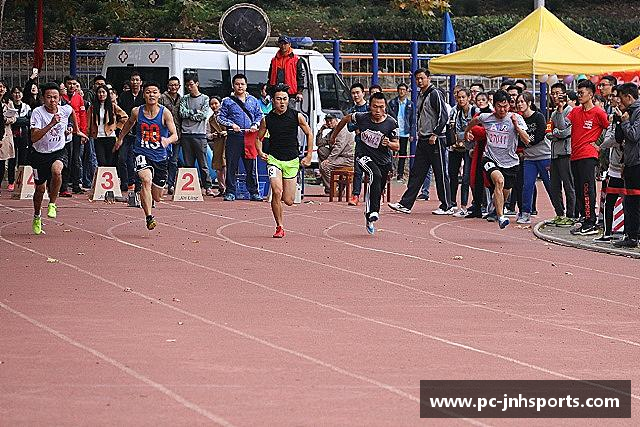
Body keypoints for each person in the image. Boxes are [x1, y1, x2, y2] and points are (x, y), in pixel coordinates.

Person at [388, 68, 452, 216]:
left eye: (422, 78)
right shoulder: (420, 95)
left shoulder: (435, 94)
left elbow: (444, 115)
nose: (419, 81)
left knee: (440, 172)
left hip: (435, 139)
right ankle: (406, 203)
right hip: (423, 138)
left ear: (428, 78)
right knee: (417, 172)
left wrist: (435, 133)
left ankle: (447, 205)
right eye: (417, 79)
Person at [114, 81, 178, 230]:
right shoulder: (137, 111)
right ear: (144, 94)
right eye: (148, 92)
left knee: (157, 196)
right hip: (141, 152)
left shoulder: (165, 113)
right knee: (145, 180)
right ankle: (149, 217)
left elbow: (175, 135)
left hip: (160, 156)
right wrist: (121, 138)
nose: (151, 95)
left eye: (154, 92)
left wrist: (167, 140)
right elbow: (128, 124)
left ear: (159, 95)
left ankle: (150, 201)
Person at [334, 92, 399, 233]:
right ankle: (373, 212)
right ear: (369, 106)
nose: (378, 111)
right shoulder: (361, 117)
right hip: (363, 156)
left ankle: (369, 215)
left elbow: (397, 146)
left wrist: (389, 143)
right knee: (374, 174)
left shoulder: (391, 123)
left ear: (385, 107)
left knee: (378, 185)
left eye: (381, 107)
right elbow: (345, 119)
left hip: (383, 160)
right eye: (375, 107)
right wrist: (334, 135)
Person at [464, 90, 529, 229]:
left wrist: (516, 127)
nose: (503, 110)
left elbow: (527, 140)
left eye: (505, 106)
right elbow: (474, 121)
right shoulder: (486, 117)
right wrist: (467, 132)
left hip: (510, 162)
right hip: (490, 158)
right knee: (499, 181)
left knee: (505, 191)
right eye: (499, 106)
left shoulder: (516, 118)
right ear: (494, 105)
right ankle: (501, 217)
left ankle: (496, 206)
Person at [29, 82, 88, 234]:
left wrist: (77, 130)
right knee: (40, 189)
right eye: (49, 97)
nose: (52, 100)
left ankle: (53, 203)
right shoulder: (37, 112)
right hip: (39, 154)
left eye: (55, 97)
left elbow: (73, 112)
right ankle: (37, 215)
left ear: (60, 97)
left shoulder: (65, 109)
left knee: (57, 171)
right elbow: (34, 138)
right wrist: (51, 124)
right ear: (43, 98)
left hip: (58, 151)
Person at [257, 84, 313, 237]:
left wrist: (308, 155)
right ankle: (279, 226)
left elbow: (309, 133)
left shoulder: (296, 116)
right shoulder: (267, 119)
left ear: (288, 100)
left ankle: (282, 197)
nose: (282, 102)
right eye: (278, 99)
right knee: (276, 191)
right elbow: (258, 138)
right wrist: (260, 151)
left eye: (284, 99)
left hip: (292, 160)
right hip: (274, 159)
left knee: (288, 200)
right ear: (273, 100)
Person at [563, 80, 609, 235]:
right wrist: (559, 107)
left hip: (588, 155)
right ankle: (584, 217)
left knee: (587, 188)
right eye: (578, 92)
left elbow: (609, 129)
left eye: (582, 93)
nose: (579, 95)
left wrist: (599, 145)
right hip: (575, 155)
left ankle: (590, 221)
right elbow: (562, 124)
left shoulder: (598, 113)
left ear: (591, 94)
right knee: (578, 189)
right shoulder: (575, 111)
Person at [218, 73, 264, 201]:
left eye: (242, 84)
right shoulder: (227, 101)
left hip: (250, 136)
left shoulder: (253, 100)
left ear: (246, 85)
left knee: (251, 166)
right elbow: (220, 117)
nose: (240, 86)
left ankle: (254, 192)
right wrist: (231, 125)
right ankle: (230, 192)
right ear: (233, 86)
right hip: (234, 137)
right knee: (232, 164)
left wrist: (255, 124)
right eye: (237, 84)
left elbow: (259, 115)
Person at [516, 91, 552, 224]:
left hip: (544, 156)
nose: (519, 104)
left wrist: (527, 141)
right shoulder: (519, 119)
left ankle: (560, 212)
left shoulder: (538, 117)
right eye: (518, 102)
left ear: (529, 103)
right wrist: (525, 143)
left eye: (522, 102)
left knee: (550, 185)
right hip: (529, 158)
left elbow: (539, 135)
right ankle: (525, 212)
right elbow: (518, 139)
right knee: (527, 185)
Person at [595, 86, 625, 242]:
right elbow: (609, 137)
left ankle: (630, 234)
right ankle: (607, 232)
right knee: (609, 201)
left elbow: (620, 139)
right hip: (614, 167)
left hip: (629, 167)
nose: (613, 99)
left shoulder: (632, 116)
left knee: (630, 202)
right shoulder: (614, 116)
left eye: (616, 96)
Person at [615, 83, 640, 247]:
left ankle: (634, 236)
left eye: (621, 97)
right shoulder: (628, 112)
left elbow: (634, 135)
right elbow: (620, 139)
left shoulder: (637, 112)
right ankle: (630, 234)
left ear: (628, 96)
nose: (619, 101)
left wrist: (624, 122)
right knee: (630, 201)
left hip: (637, 163)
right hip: (630, 162)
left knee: (635, 201)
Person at [179, 76, 213, 195]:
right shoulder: (184, 99)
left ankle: (208, 187)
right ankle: (191, 187)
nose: (189, 87)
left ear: (197, 84)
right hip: (186, 134)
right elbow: (182, 113)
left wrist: (190, 114)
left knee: (203, 163)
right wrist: (194, 113)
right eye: (187, 85)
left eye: (191, 85)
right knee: (188, 163)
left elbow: (203, 115)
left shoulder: (205, 98)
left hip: (200, 134)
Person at [548, 82, 576, 226]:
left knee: (568, 185)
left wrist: (556, 133)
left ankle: (571, 215)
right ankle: (559, 213)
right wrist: (555, 133)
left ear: (564, 94)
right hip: (554, 154)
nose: (555, 96)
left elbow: (565, 130)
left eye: (558, 93)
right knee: (554, 186)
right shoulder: (553, 113)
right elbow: (549, 132)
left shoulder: (571, 111)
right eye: (553, 93)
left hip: (566, 153)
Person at [449, 88, 477, 217]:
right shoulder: (455, 112)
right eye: (459, 97)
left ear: (469, 98)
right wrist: (464, 135)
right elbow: (454, 131)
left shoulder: (474, 111)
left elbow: (476, 131)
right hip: (459, 147)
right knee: (454, 174)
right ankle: (454, 203)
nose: (461, 100)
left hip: (472, 149)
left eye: (463, 97)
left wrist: (466, 135)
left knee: (467, 177)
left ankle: (468, 205)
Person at [118, 71, 145, 195]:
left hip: (141, 132)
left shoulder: (144, 96)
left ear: (140, 82)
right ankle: (126, 182)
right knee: (122, 158)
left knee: (138, 159)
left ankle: (138, 184)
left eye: (137, 80)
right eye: (132, 80)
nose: (134, 82)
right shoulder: (124, 96)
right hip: (126, 131)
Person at [60, 75, 87, 195]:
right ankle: (63, 186)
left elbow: (82, 115)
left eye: (74, 84)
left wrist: (83, 132)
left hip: (76, 132)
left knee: (76, 159)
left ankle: (76, 185)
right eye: (69, 83)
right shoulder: (61, 98)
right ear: (65, 84)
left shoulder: (79, 98)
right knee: (66, 159)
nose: (72, 86)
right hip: (63, 132)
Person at [88, 85, 128, 167]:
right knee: (101, 161)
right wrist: (87, 134)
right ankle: (101, 179)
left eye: (103, 92)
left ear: (107, 94)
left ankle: (111, 179)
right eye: (99, 92)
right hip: (97, 137)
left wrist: (116, 127)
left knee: (110, 162)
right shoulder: (92, 108)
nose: (101, 94)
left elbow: (125, 117)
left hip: (110, 136)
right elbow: (88, 122)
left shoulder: (113, 106)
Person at [316, 113, 355, 193]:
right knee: (321, 150)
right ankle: (333, 187)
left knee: (324, 166)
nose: (329, 123)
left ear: (336, 120)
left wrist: (329, 160)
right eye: (327, 121)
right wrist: (321, 130)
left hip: (346, 158)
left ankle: (334, 189)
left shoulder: (342, 129)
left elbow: (338, 147)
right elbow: (319, 143)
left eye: (331, 120)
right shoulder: (332, 132)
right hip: (337, 157)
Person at [159, 76, 182, 194]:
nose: (173, 87)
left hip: (177, 135)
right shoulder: (162, 98)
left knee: (174, 161)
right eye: (171, 85)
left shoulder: (181, 99)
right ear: (168, 86)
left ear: (179, 86)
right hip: (164, 134)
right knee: (162, 160)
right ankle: (160, 183)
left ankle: (171, 184)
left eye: (175, 85)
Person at [388, 82, 415, 182]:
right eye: (400, 89)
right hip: (395, 131)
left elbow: (413, 119)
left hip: (405, 132)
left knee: (403, 153)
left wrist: (412, 133)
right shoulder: (392, 102)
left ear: (407, 91)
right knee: (391, 152)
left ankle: (400, 173)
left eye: (404, 89)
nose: (402, 91)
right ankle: (391, 171)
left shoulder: (410, 104)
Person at [347, 82, 368, 206]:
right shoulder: (352, 110)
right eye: (353, 93)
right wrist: (360, 126)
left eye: (357, 93)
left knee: (373, 171)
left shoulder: (370, 108)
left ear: (363, 93)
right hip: (359, 143)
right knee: (358, 170)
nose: (355, 95)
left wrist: (361, 127)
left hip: (372, 144)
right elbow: (350, 127)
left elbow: (372, 122)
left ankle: (375, 194)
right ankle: (355, 195)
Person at [267, 35, 305, 103]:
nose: (283, 46)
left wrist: (299, 92)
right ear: (278, 44)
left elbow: (300, 77)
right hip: (276, 94)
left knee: (291, 113)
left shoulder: (296, 60)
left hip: (291, 95)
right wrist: (269, 93)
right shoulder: (274, 60)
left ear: (289, 44)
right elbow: (270, 78)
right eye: (281, 43)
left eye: (285, 43)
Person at [8, 86, 32, 190]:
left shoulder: (26, 107)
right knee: (12, 159)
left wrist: (17, 120)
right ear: (12, 94)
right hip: (12, 135)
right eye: (15, 93)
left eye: (19, 93)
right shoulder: (9, 106)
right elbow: (10, 121)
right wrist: (18, 120)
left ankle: (21, 180)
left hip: (24, 135)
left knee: (23, 158)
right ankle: (11, 181)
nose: (17, 95)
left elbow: (29, 120)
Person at [207, 96, 227, 197]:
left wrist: (226, 132)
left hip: (227, 143)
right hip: (217, 143)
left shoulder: (226, 116)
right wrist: (212, 135)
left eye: (216, 103)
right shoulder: (210, 120)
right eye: (212, 104)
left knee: (226, 165)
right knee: (218, 167)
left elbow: (233, 127)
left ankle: (228, 188)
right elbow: (207, 134)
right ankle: (221, 188)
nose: (214, 106)